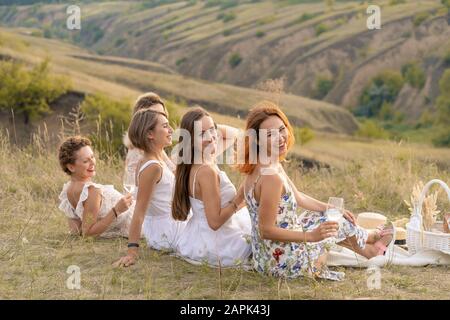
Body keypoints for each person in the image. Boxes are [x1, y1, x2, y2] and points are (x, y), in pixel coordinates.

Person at [238, 101, 394, 281]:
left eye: (281, 129)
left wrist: (332, 208)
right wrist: (311, 236)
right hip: (285, 266)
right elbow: (266, 230)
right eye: (270, 134)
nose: (280, 137)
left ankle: (368, 248)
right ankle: (371, 239)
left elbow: (297, 196)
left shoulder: (263, 165)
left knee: (320, 216)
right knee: (334, 224)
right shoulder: (270, 177)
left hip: (265, 259)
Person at [172, 107, 252, 267]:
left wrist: (207, 128)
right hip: (219, 244)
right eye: (202, 134)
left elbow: (234, 134)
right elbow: (214, 222)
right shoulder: (206, 171)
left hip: (196, 239)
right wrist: (240, 197)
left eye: (212, 129)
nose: (211, 137)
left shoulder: (195, 161)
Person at [114, 109, 186, 267]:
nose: (171, 130)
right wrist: (132, 252)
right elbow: (139, 211)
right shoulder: (152, 167)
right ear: (150, 134)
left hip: (170, 222)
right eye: (166, 126)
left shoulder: (155, 159)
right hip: (168, 231)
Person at [58, 136, 133, 238]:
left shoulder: (68, 190)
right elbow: (87, 233)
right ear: (71, 167)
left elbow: (76, 231)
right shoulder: (92, 191)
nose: (93, 162)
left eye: (92, 157)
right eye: (86, 161)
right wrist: (117, 210)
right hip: (137, 221)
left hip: (136, 212)